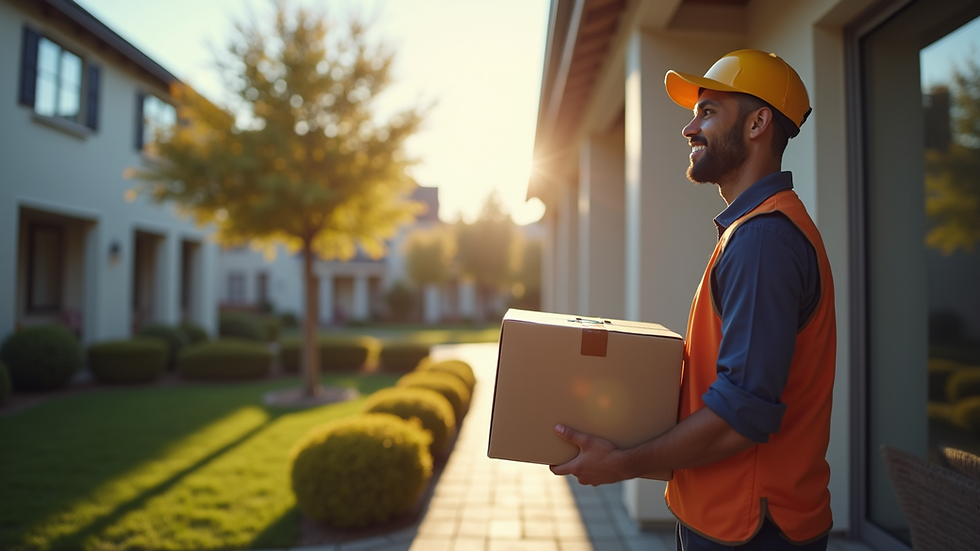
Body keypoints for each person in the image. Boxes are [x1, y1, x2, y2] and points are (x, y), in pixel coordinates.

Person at [549, 49, 837, 551]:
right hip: (731, 518)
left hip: (752, 530)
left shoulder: (764, 241)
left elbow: (740, 416)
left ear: (758, 124)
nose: (689, 129)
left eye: (708, 112)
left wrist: (621, 464)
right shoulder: (752, 231)